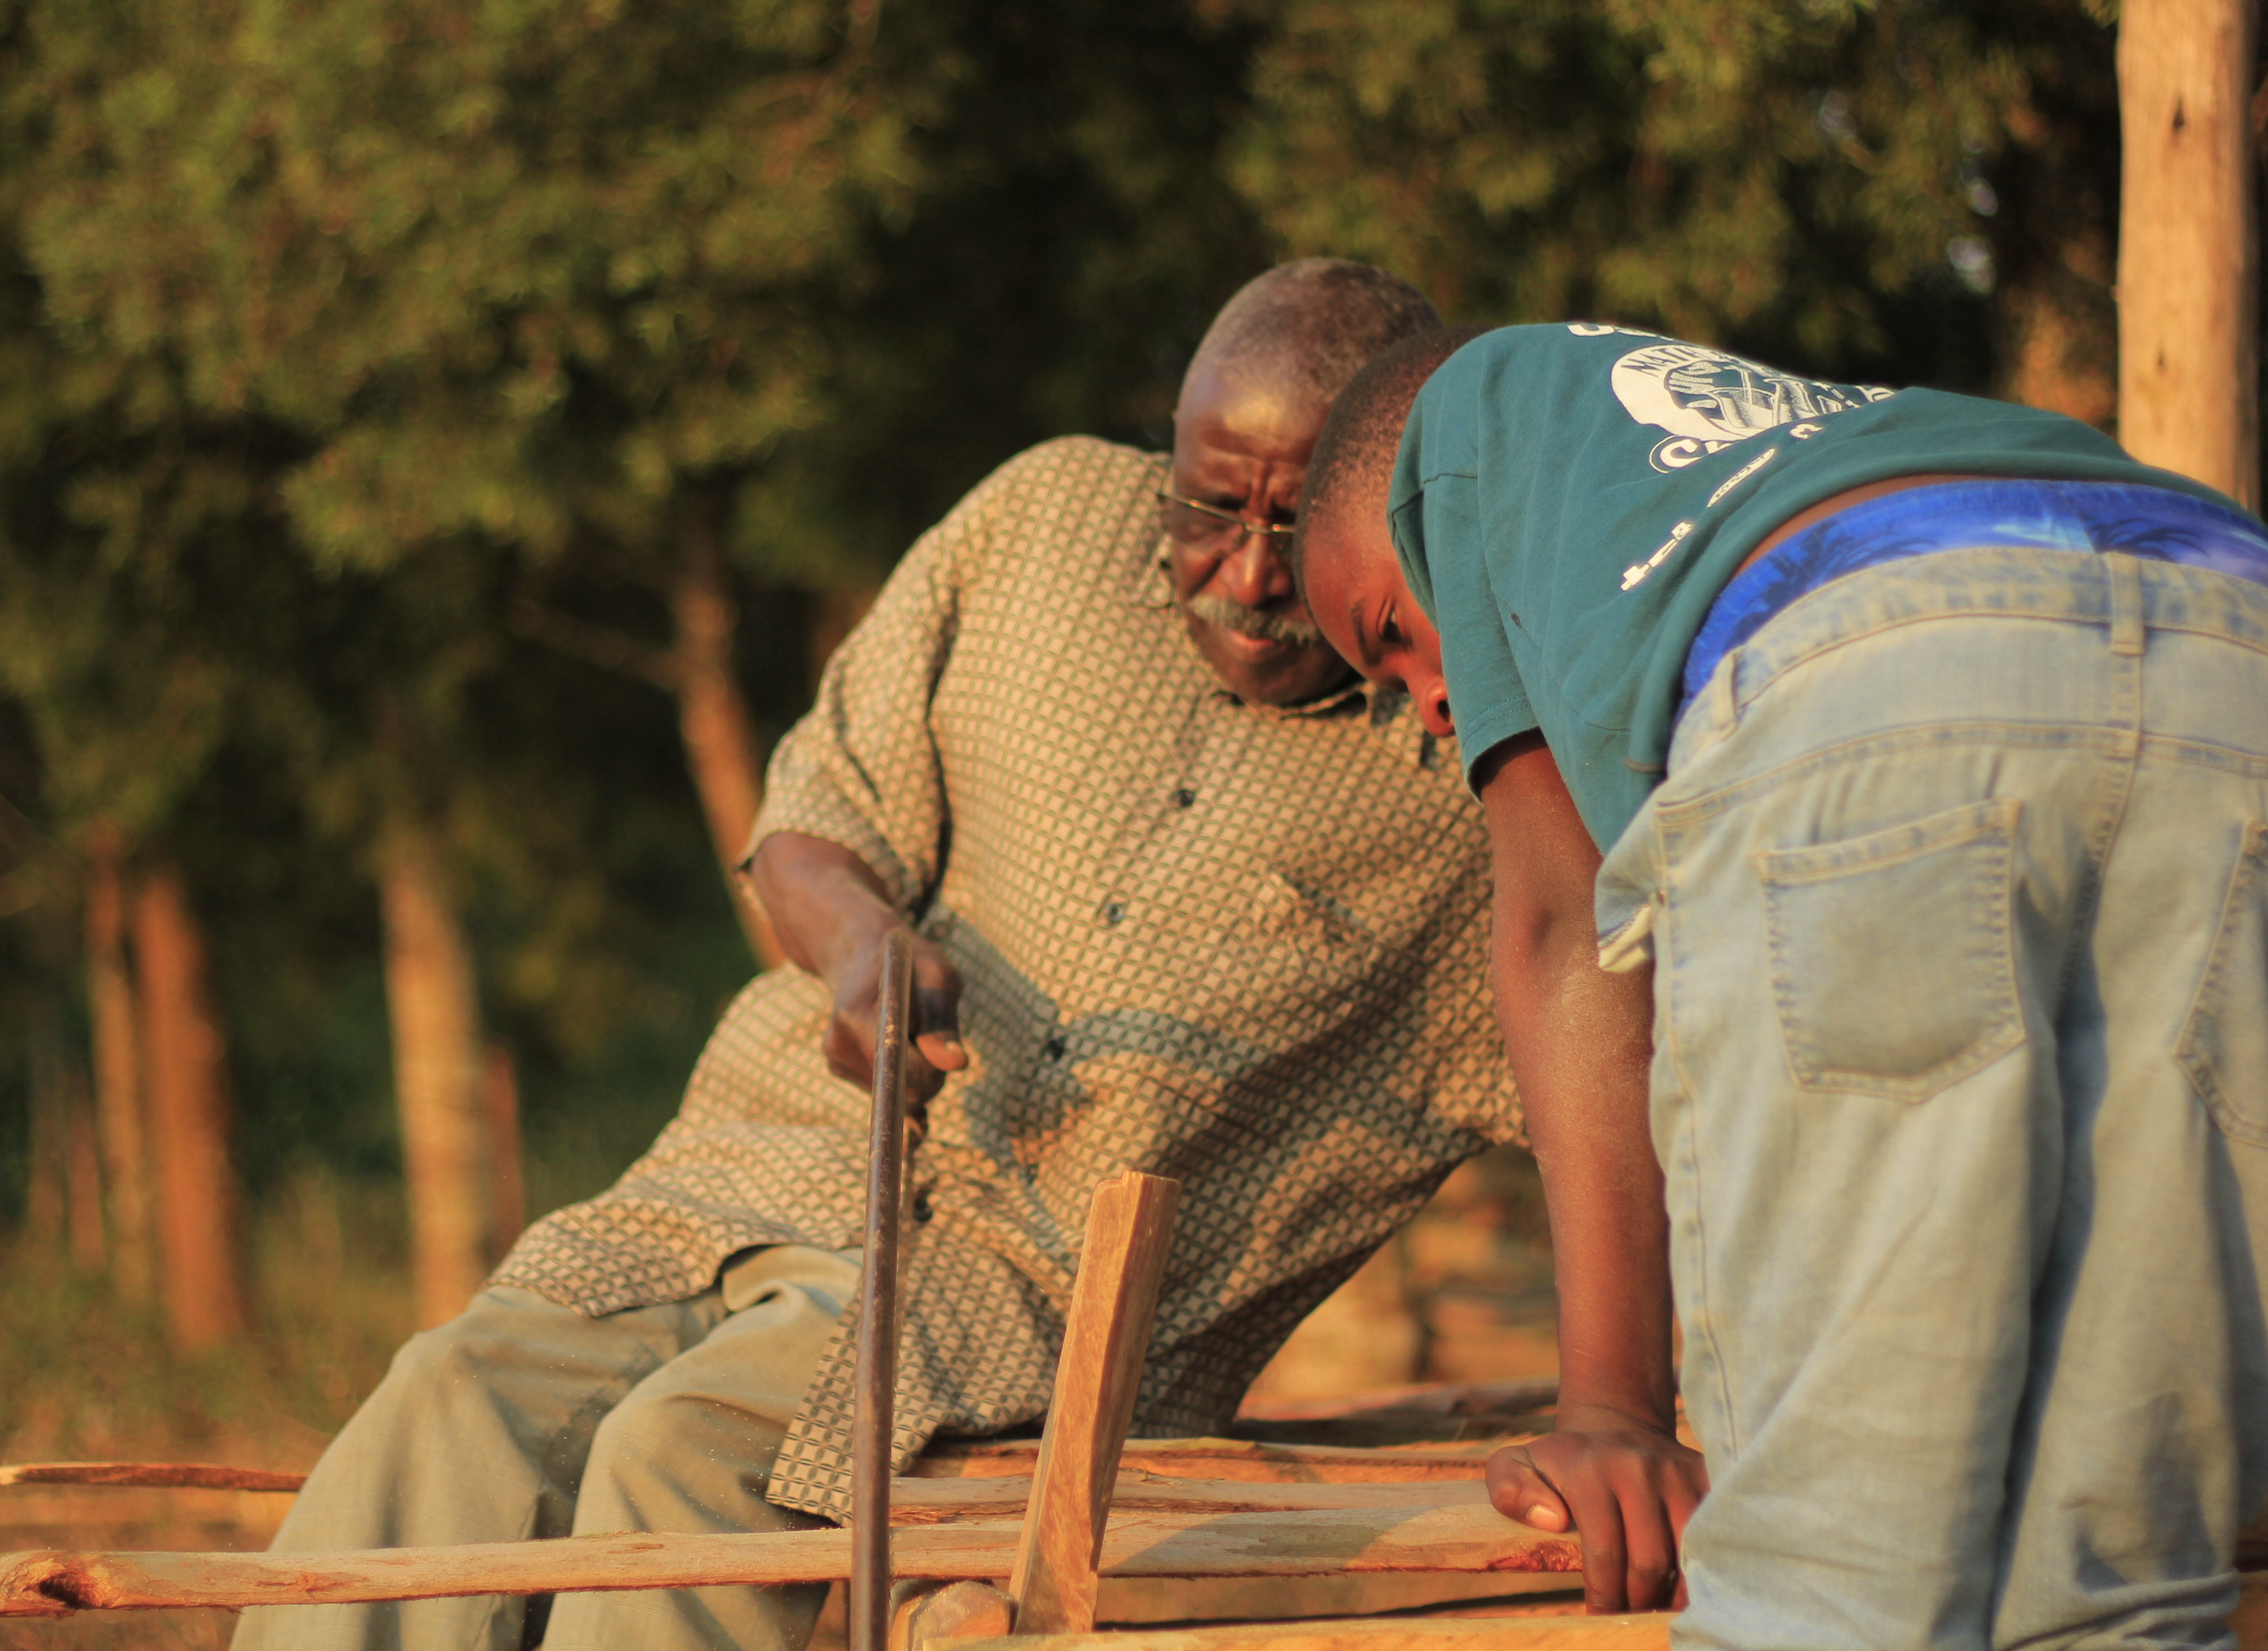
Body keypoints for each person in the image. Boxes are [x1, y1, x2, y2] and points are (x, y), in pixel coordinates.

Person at [233, 262, 1523, 1651]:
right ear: (1171, 448)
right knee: (450, 1401)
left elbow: (1613, 1083)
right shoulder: (1038, 519)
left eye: (1300, 528)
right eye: (1213, 507)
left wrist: (1637, 1407)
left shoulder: (1474, 770)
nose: (1253, 575)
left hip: (1017, 1306)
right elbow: (813, 816)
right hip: (757, 1170)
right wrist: (862, 950)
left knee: (678, 1458)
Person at [1296, 320, 2268, 1651]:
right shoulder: (1852, 433)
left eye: (1390, 638)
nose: (1424, 704)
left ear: (1398, 508)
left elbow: (1563, 925)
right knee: (2114, 1575)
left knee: (1828, 1581)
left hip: (1885, 687)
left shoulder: (1469, 417)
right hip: (2235, 660)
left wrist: (1614, 1415)